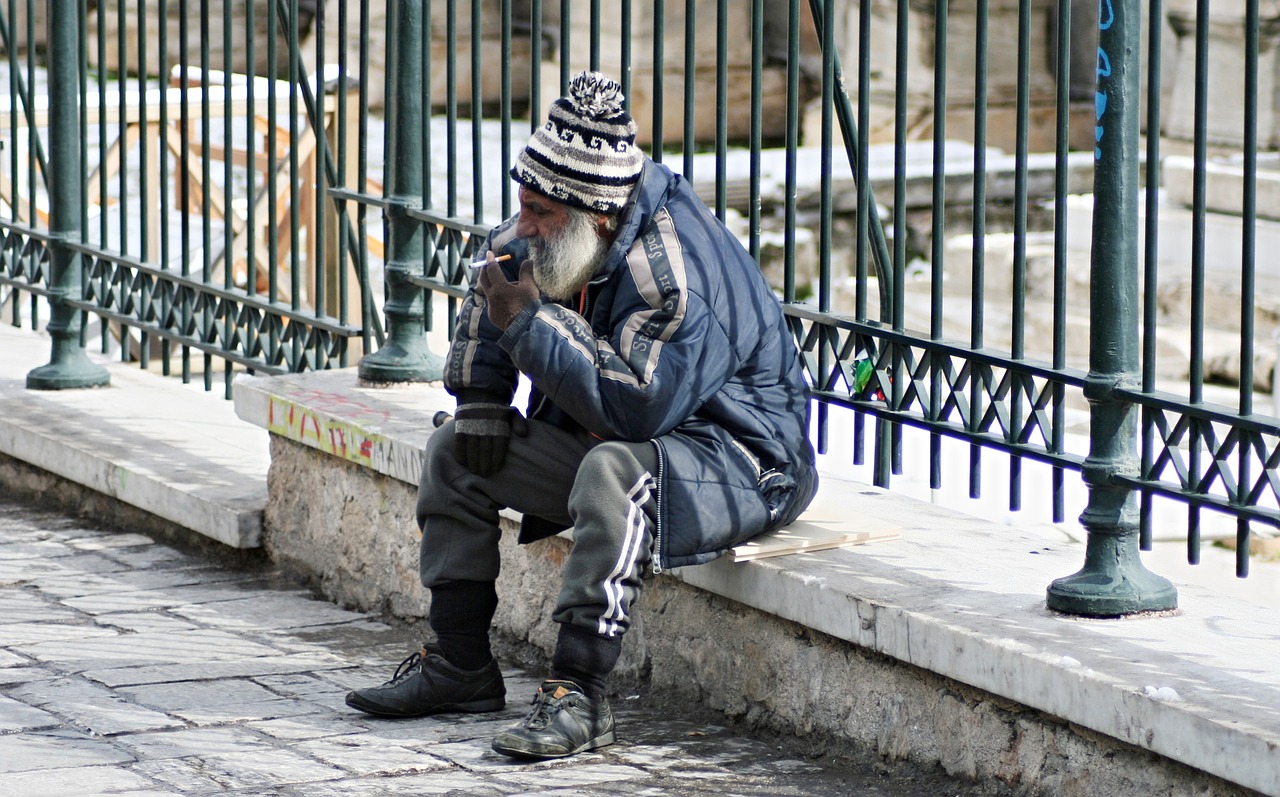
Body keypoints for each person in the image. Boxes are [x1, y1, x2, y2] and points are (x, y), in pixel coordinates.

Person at [345, 71, 818, 760]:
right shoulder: (563, 223)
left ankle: (577, 695)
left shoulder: (677, 269)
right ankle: (459, 665)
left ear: (595, 215)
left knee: (611, 470)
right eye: (523, 202)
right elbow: (499, 271)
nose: (523, 222)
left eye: (539, 211)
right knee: (456, 452)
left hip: (742, 460)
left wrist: (531, 321)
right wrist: (480, 401)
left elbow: (636, 408)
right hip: (627, 438)